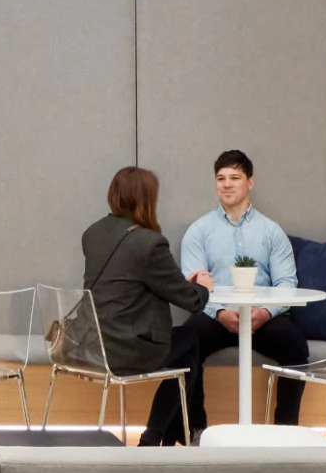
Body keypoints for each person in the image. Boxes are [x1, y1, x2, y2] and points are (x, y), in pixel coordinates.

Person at [79, 165, 236, 445]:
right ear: (147, 199)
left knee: (187, 354)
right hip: (125, 351)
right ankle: (160, 437)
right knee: (191, 339)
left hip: (93, 344)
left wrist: (176, 281)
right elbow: (191, 301)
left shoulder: (93, 234)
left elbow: (127, 283)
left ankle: (162, 437)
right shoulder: (150, 243)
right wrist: (203, 287)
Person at [173, 148, 317, 423]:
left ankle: (284, 432)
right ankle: (195, 430)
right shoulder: (199, 231)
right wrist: (219, 313)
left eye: (234, 177)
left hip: (262, 318)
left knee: (295, 345)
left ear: (249, 182)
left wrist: (265, 312)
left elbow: (287, 282)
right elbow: (193, 287)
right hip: (216, 316)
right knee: (185, 342)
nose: (226, 184)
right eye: (221, 178)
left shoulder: (271, 231)